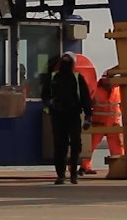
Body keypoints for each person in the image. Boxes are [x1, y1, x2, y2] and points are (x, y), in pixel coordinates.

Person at [42, 52, 93, 184]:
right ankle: (61, 175)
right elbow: (45, 95)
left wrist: (88, 116)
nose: (65, 62)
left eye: (68, 60)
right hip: (58, 116)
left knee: (76, 144)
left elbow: (85, 98)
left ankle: (73, 173)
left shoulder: (77, 78)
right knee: (60, 146)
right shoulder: (53, 77)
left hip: (73, 115)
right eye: (63, 59)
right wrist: (50, 103)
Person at [81, 72, 124, 174]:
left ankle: (119, 167)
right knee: (89, 147)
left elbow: (121, 104)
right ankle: (84, 167)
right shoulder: (94, 88)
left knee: (117, 147)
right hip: (98, 123)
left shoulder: (118, 89)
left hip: (113, 123)